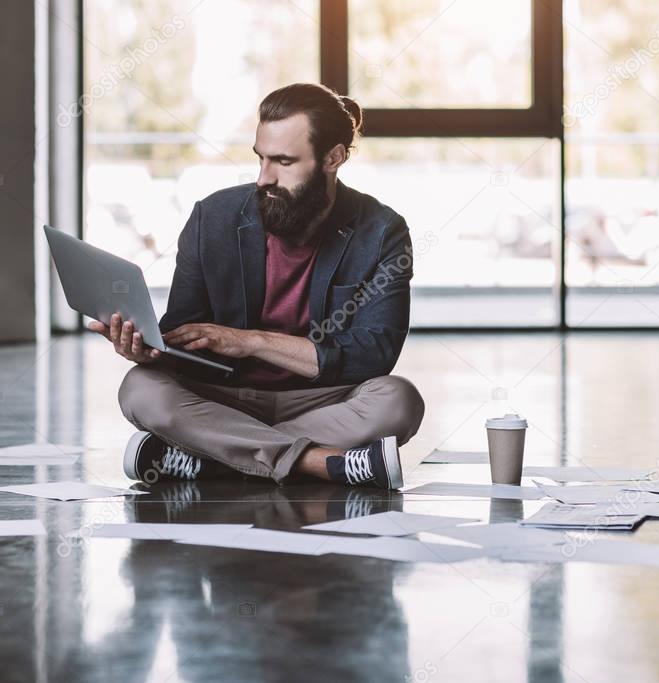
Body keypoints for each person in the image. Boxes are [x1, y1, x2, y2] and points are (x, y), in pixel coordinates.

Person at [89, 83, 425, 490]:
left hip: (320, 400)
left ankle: (214, 457)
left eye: (283, 161)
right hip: (222, 396)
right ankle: (320, 462)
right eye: (261, 158)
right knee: (140, 389)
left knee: (399, 400)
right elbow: (184, 335)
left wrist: (250, 341)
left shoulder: (381, 231)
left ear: (333, 158)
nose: (264, 177)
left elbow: (374, 355)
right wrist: (149, 352)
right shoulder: (212, 217)